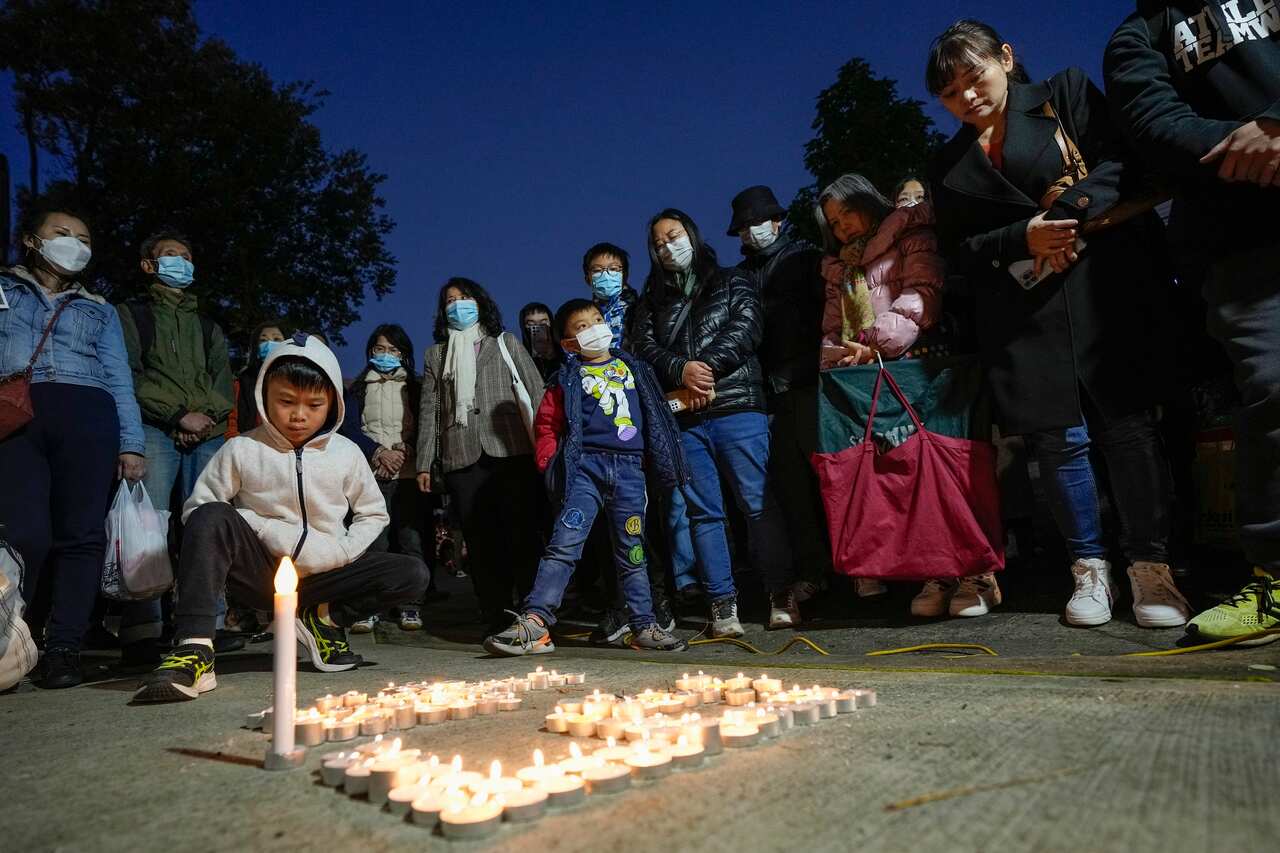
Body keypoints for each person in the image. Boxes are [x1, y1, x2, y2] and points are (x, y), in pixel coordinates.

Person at [926, 19, 1191, 628]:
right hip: (1023, 314)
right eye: (950, 91)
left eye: (976, 77)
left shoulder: (1063, 93)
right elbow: (959, 249)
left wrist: (1067, 214)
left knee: (1127, 429)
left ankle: (1151, 569)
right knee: (1059, 443)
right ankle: (1088, 569)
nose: (967, 96)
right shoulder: (946, 162)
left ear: (1007, 57)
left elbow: (1122, 162)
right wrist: (1023, 235)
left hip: (1103, 290)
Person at [1104, 2, 1280, 644]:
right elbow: (1152, 122)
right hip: (1242, 241)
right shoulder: (1138, 34)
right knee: (1272, 388)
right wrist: (1247, 146)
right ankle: (1275, 573)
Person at [133, 334, 428, 702]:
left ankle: (323, 621)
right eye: (286, 402)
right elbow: (197, 511)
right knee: (210, 516)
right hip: (259, 574)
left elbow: (373, 512)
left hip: (326, 574)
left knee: (412, 573)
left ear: (333, 403)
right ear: (264, 397)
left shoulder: (347, 453)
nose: (299, 415)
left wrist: (341, 551)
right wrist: (265, 528)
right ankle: (195, 647)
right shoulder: (242, 448)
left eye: (314, 404)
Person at [484, 299, 688, 654]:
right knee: (564, 544)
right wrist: (550, 462)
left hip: (630, 471)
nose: (594, 327)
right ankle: (535, 622)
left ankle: (644, 624)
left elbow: (657, 413)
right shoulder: (565, 378)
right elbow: (546, 423)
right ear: (568, 345)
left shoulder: (636, 369)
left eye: (597, 319)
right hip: (585, 470)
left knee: (633, 549)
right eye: (582, 327)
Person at [0, 206, 146, 688]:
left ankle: (65, 646)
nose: (74, 244)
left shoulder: (99, 309)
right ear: (31, 241)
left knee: (82, 535)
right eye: (61, 234)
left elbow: (119, 377)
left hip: (88, 415)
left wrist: (131, 443)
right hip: (19, 414)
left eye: (83, 238)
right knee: (24, 534)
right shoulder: (4, 290)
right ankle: (17, 637)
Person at [632, 208, 792, 638]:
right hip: (685, 418)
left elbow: (746, 329)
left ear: (692, 234)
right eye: (659, 242)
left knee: (757, 504)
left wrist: (704, 369)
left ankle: (780, 594)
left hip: (738, 406)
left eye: (675, 235)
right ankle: (723, 606)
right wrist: (681, 369)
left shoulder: (732, 280)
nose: (669, 246)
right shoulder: (652, 299)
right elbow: (644, 347)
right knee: (704, 514)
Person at [815, 174, 954, 607]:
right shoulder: (840, 267)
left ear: (868, 200)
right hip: (863, 376)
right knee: (885, 474)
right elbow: (832, 327)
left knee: (931, 471)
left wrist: (875, 341)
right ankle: (900, 566)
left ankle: (950, 570)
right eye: (834, 224)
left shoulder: (910, 232)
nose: (843, 228)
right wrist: (835, 357)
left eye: (847, 214)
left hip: (913, 367)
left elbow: (921, 294)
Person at [114, 229, 234, 663]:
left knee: (206, 527)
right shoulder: (132, 315)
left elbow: (223, 381)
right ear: (149, 265)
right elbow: (129, 373)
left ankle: (207, 624)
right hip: (154, 431)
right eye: (170, 255)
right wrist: (177, 415)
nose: (180, 262)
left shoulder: (208, 325)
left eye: (186, 256)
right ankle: (142, 629)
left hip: (207, 432)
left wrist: (201, 421)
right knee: (149, 528)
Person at [415, 278, 545, 632]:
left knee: (522, 534)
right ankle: (495, 614)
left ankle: (535, 613)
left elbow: (536, 391)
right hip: (461, 454)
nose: (458, 304)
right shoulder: (435, 355)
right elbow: (431, 410)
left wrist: (548, 444)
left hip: (510, 448)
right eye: (450, 300)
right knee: (480, 540)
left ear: (480, 301)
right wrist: (425, 462)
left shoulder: (504, 342)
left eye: (465, 297)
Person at [728, 185, 828, 628]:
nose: (750, 233)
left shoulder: (806, 257)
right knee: (790, 487)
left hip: (812, 382)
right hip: (769, 392)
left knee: (828, 478)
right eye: (743, 228)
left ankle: (854, 569)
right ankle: (813, 572)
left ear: (777, 221)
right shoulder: (739, 275)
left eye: (756, 223)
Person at [580, 241, 681, 644]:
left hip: (636, 426)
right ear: (586, 275)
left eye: (614, 268)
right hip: (596, 434)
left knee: (645, 525)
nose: (606, 274)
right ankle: (620, 607)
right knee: (607, 527)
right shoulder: (580, 318)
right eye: (597, 268)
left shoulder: (642, 309)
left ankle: (659, 606)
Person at [340, 324, 442, 632]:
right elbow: (350, 429)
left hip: (409, 473)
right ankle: (371, 607)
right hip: (372, 474)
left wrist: (405, 448)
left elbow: (426, 423)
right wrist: (379, 451)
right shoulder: (357, 389)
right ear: (370, 352)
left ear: (404, 354)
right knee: (375, 542)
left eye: (393, 350)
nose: (386, 355)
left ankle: (411, 605)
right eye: (380, 349)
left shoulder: (415, 386)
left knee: (411, 539)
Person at [228, 320, 287, 438]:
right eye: (263, 340)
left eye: (276, 339)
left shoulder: (297, 380)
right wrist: (236, 443)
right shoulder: (242, 381)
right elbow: (232, 420)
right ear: (255, 347)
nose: (270, 343)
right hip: (248, 446)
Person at [519, 302, 561, 383]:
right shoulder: (521, 361)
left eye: (543, 322)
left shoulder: (567, 354)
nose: (538, 327)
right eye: (531, 324)